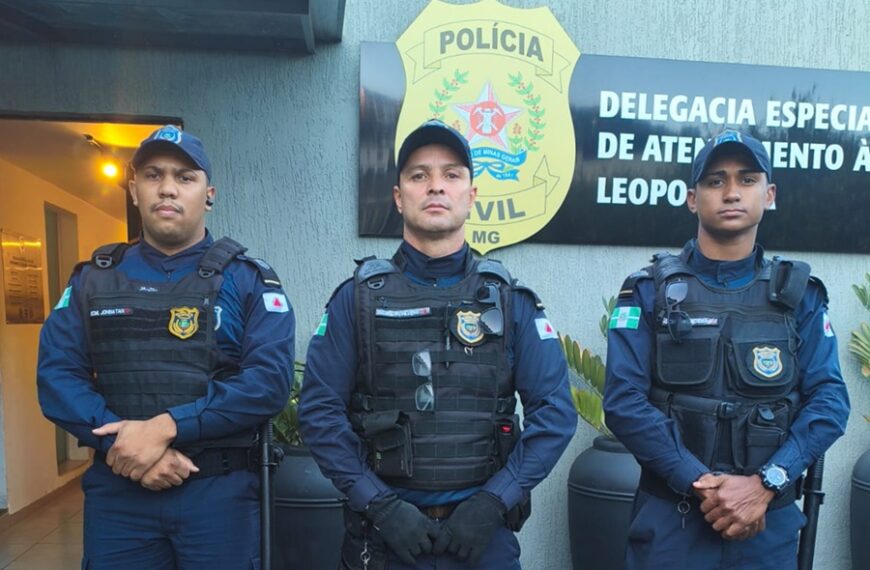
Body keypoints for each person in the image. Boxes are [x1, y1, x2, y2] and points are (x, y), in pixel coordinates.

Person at [298, 119, 577, 570]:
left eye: (451, 175)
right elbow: (319, 412)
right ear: (398, 196)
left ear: (471, 194)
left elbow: (555, 413)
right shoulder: (358, 298)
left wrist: (494, 501)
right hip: (386, 537)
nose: (435, 187)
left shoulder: (510, 299)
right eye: (418, 175)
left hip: (483, 538)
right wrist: (380, 506)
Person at [37, 125, 295, 569]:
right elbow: (58, 377)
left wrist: (166, 428)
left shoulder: (249, 279)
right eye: (153, 175)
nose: (168, 189)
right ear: (134, 190)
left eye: (185, 177)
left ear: (208, 193)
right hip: (120, 497)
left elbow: (268, 383)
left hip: (220, 496)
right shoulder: (93, 279)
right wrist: (128, 446)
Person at [603, 130, 850, 569]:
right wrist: (701, 483)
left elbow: (829, 402)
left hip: (765, 524)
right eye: (715, 180)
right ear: (692, 198)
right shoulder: (646, 292)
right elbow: (623, 402)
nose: (732, 192)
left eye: (747, 179)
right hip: (671, 524)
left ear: (769, 194)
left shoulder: (800, 296)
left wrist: (764, 484)